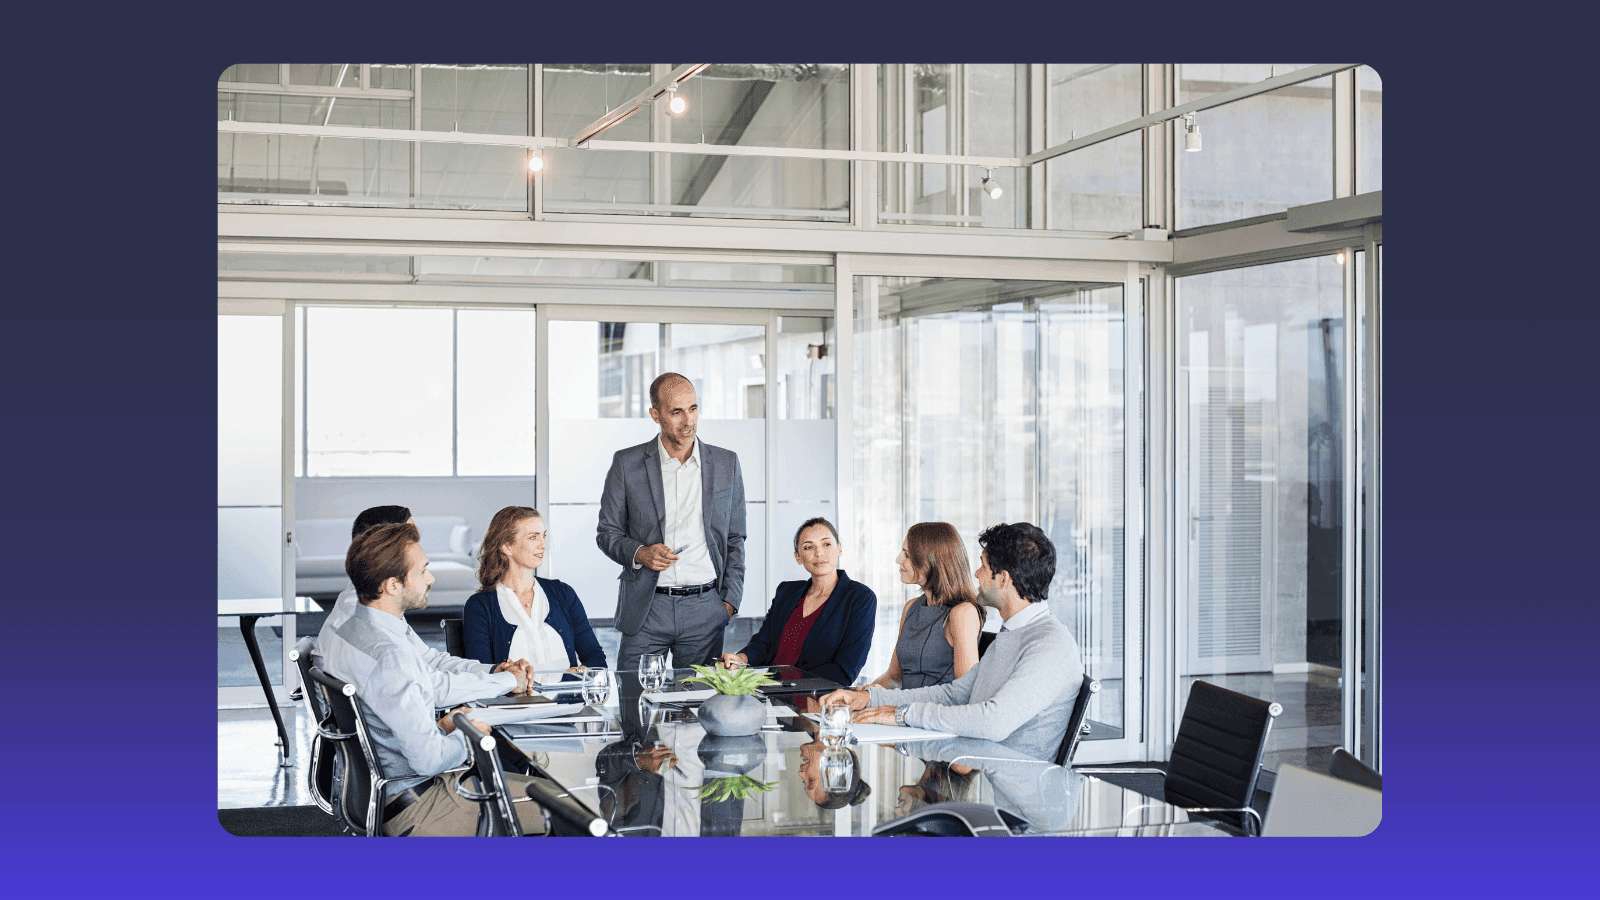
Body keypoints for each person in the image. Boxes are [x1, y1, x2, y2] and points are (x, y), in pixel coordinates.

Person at [317, 523, 548, 836]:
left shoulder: (351, 631)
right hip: (424, 808)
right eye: (423, 571)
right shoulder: (391, 655)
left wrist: (448, 722)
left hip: (384, 796)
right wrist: (472, 734)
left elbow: (403, 706)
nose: (431, 579)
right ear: (392, 585)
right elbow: (428, 761)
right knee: (569, 806)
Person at [820, 522, 1082, 762]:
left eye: (983, 566)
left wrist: (902, 715)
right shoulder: (1012, 634)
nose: (976, 574)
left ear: (1002, 578)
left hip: (1011, 795)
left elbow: (994, 721)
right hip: (983, 768)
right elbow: (956, 693)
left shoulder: (1050, 643)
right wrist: (870, 699)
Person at [597, 371, 746, 672]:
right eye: (676, 412)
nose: (688, 421)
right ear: (655, 414)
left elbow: (735, 538)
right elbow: (607, 532)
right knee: (632, 701)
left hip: (705, 608)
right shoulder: (627, 464)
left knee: (695, 707)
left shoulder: (725, 462)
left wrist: (728, 602)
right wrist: (640, 553)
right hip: (647, 606)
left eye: (693, 408)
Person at [717, 517, 875, 686]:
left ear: (839, 549)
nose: (819, 553)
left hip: (813, 698)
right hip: (765, 691)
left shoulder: (860, 598)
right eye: (808, 547)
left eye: (826, 544)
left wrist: (781, 682)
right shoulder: (786, 592)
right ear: (798, 556)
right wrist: (741, 659)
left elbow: (844, 670)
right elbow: (764, 642)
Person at [462, 506, 607, 677]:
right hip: (515, 703)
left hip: (568, 701)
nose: (543, 544)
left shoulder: (563, 593)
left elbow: (596, 660)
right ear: (507, 547)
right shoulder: (480, 606)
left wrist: (569, 676)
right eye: (533, 537)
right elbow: (481, 674)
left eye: (543, 536)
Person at [864, 522, 983, 691]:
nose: (898, 560)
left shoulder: (963, 613)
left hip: (931, 714)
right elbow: (893, 679)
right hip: (901, 710)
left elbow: (964, 692)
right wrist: (861, 694)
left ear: (931, 561)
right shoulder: (911, 607)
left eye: (906, 554)